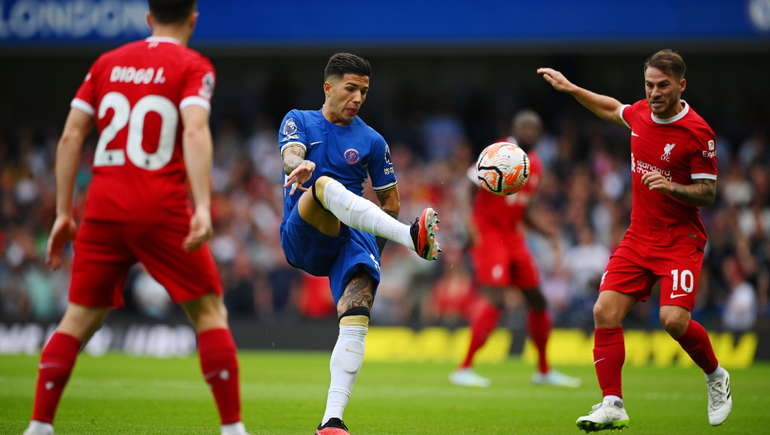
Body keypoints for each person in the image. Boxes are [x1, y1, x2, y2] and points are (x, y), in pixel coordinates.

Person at [23, 1, 251, 435]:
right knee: (208, 312)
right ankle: (232, 429)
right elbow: (196, 130)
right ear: (193, 19)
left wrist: (61, 212)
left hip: (102, 207)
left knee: (76, 319)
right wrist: (202, 206)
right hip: (159, 206)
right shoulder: (193, 65)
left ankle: (39, 424)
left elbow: (71, 135)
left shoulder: (107, 63)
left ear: (148, 19)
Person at [538, 49, 731, 432]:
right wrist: (572, 88)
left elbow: (708, 193)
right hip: (639, 235)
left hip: (679, 239)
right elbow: (612, 109)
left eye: (662, 86)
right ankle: (612, 403)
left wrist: (671, 186)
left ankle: (716, 376)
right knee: (603, 312)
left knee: (673, 321)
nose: (655, 93)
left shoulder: (697, 132)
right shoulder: (641, 113)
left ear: (681, 85)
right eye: (649, 85)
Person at [279, 53, 441, 435]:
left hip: (351, 239)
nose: (357, 98)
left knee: (356, 321)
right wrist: (296, 166)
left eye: (364, 91)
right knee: (321, 184)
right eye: (351, 88)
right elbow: (291, 154)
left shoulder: (372, 140)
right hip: (303, 231)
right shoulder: (299, 120)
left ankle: (331, 420)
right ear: (328, 87)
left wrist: (372, 258)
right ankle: (410, 236)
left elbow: (391, 202)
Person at [449, 110, 581, 389]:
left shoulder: (535, 164)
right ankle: (464, 368)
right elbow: (464, 189)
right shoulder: (497, 152)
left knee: (538, 299)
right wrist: (469, 226)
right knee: (496, 298)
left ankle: (544, 370)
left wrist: (549, 232)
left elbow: (525, 209)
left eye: (535, 128)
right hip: (487, 234)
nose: (530, 132)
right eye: (525, 127)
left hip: (513, 237)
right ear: (515, 129)